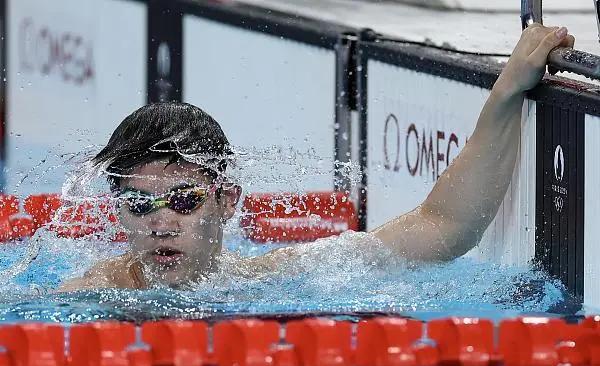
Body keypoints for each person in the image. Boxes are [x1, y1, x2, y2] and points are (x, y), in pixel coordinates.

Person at [59, 24, 575, 291]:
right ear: (118, 207)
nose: (161, 224)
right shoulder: (88, 298)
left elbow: (446, 227)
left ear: (227, 201)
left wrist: (509, 88)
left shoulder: (281, 278)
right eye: (139, 204)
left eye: (184, 199)